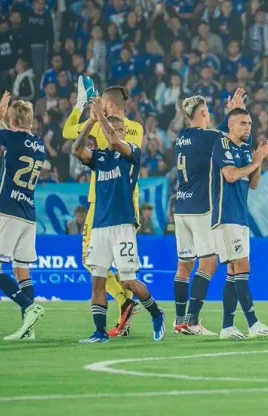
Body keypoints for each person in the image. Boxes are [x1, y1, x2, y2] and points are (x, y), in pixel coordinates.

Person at [71, 99, 165, 343]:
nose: (119, 134)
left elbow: (114, 141)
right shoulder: (100, 158)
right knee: (97, 281)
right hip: (101, 227)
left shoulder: (132, 153)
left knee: (129, 281)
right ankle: (99, 332)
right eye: (115, 130)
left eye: (122, 130)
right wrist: (91, 121)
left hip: (123, 226)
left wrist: (101, 118)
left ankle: (156, 313)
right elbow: (76, 150)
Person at [62, 76, 144, 337]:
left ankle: (124, 302)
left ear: (107, 103)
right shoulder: (137, 128)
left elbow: (67, 133)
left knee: (91, 261)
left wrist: (82, 105)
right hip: (130, 201)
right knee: (124, 266)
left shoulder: (100, 126)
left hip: (103, 202)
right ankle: (125, 322)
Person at [172, 89, 246, 336]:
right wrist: (236, 112)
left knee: (184, 266)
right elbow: (231, 135)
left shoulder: (182, 137)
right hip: (201, 209)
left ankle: (180, 319)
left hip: (180, 208)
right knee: (209, 263)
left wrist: (229, 114)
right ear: (204, 113)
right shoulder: (207, 137)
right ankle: (192, 321)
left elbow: (219, 134)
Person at [0, 92, 45, 340]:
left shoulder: (12, 139)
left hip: (7, 211)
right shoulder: (39, 144)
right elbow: (14, 137)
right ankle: (29, 329)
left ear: (12, 122)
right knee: (21, 269)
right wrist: (7, 119)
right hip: (29, 215)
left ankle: (28, 307)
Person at [212, 107, 268, 340]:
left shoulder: (243, 149)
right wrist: (255, 161)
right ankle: (253, 324)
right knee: (241, 266)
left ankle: (227, 327)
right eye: (242, 123)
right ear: (230, 126)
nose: (247, 127)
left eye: (249, 123)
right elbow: (230, 176)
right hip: (226, 215)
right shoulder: (222, 145)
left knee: (233, 272)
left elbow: (252, 184)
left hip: (240, 216)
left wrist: (257, 163)